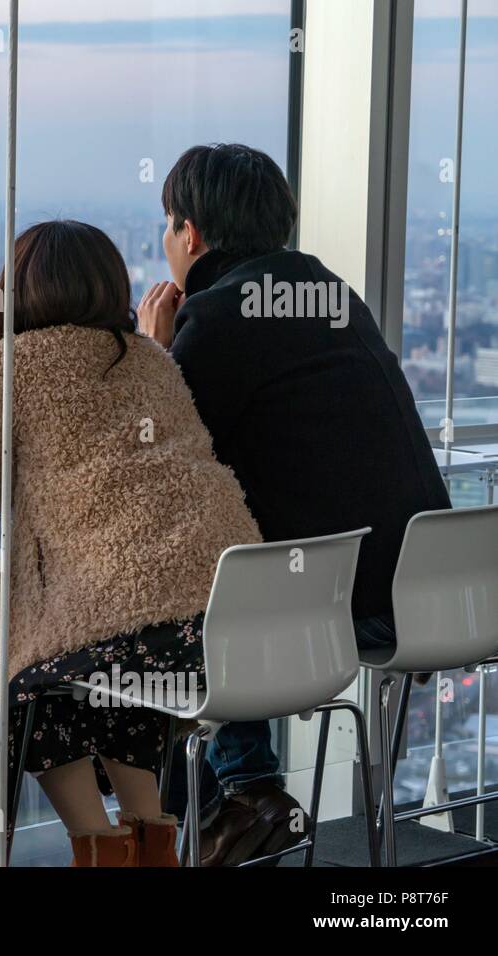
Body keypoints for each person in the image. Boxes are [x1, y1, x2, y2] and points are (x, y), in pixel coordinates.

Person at [136, 143, 452, 866]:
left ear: (191, 235)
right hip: (428, 587)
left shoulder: (214, 318)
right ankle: (228, 807)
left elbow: (159, 464)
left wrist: (156, 355)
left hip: (332, 604)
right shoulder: (333, 294)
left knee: (158, 605)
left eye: (167, 226)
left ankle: (237, 800)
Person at [0, 219, 261, 866]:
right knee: (105, 672)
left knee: (28, 692)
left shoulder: (1, 369)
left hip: (153, 632)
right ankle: (148, 837)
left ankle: (100, 849)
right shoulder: (148, 355)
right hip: (234, 619)